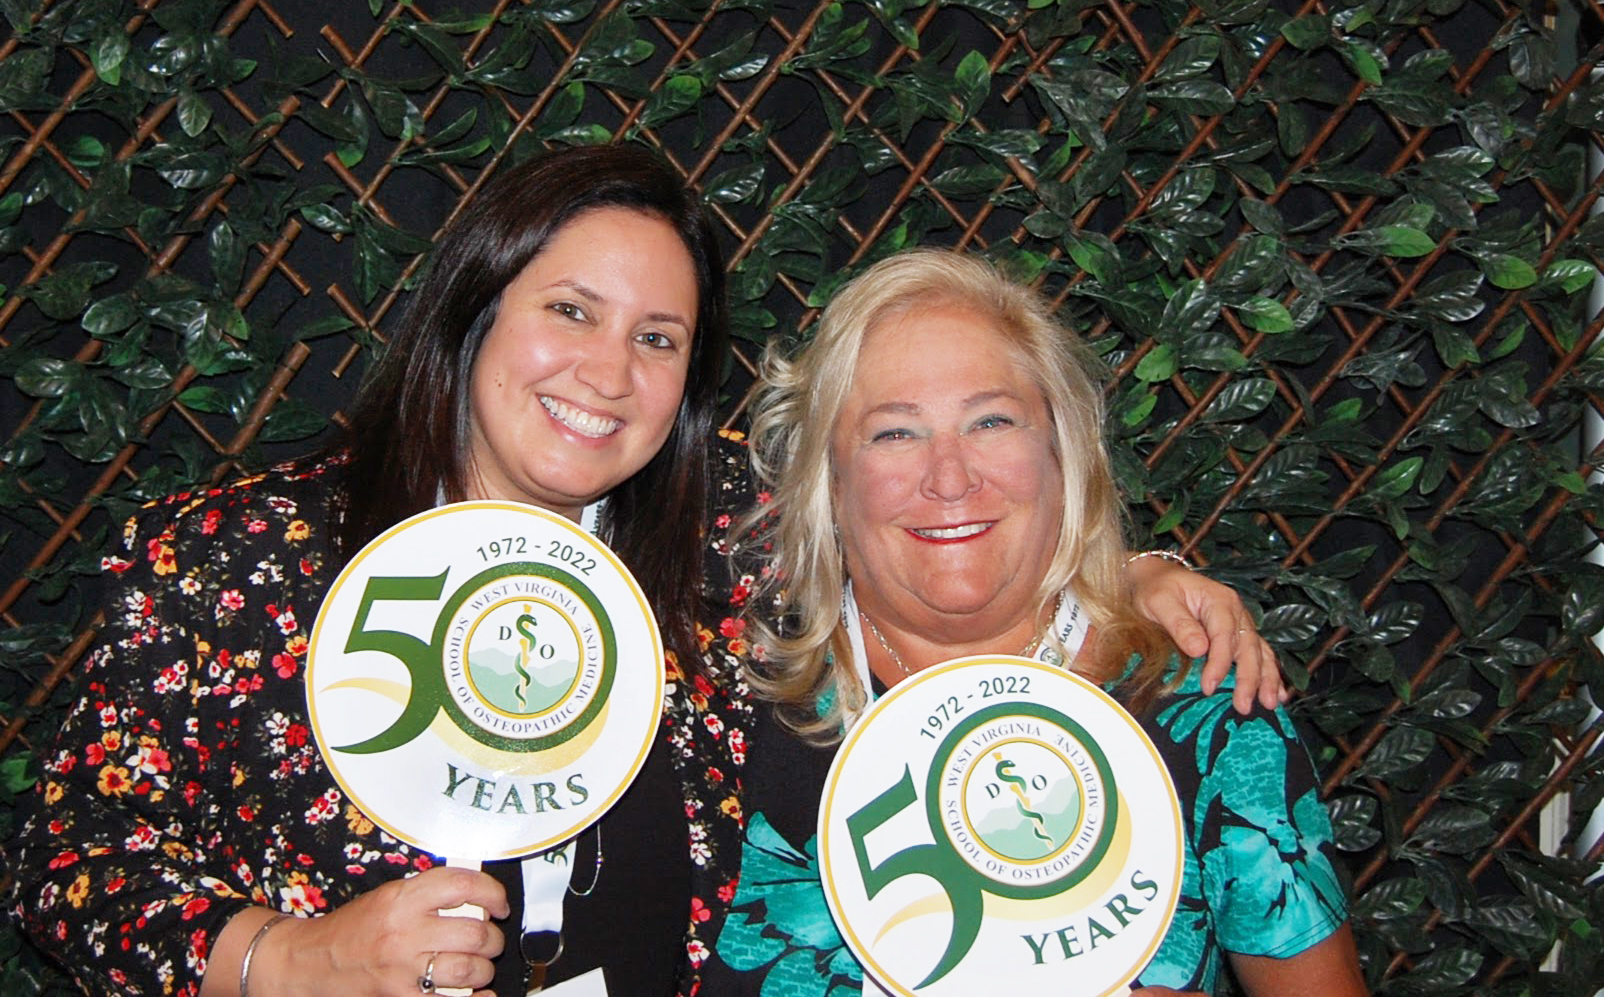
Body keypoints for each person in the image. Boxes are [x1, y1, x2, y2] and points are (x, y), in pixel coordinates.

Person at [11, 144, 1284, 997]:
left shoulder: (722, 545)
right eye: (569, 311)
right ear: (474, 310)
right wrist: (279, 961)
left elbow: (940, 524)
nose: (607, 373)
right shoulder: (233, 556)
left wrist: (1134, 573)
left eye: (656, 336)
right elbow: (64, 852)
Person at [701, 249, 1367, 997]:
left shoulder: (1205, 707)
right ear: (829, 478)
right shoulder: (731, 695)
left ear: (1063, 453)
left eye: (990, 421)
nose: (949, 478)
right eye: (894, 432)